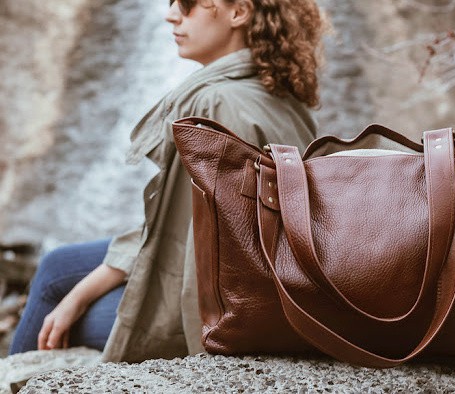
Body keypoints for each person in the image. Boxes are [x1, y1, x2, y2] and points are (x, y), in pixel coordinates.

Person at [9, 0, 324, 362]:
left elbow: (192, 249)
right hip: (261, 274)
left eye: (189, 5)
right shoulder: (279, 91)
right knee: (58, 266)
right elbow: (176, 227)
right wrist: (81, 291)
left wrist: (76, 303)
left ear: (239, 12)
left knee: (56, 310)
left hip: (215, 299)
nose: (171, 14)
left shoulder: (213, 103)